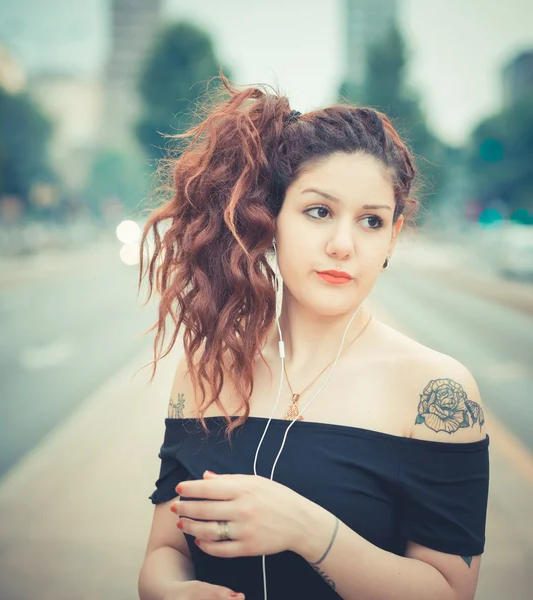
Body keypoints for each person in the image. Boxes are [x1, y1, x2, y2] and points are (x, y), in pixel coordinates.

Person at [137, 75, 489, 600]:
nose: (343, 245)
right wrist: (170, 591)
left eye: (371, 221)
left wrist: (308, 531)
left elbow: (451, 592)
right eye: (319, 212)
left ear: (392, 236)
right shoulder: (206, 371)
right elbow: (165, 553)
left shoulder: (436, 392)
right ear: (270, 218)